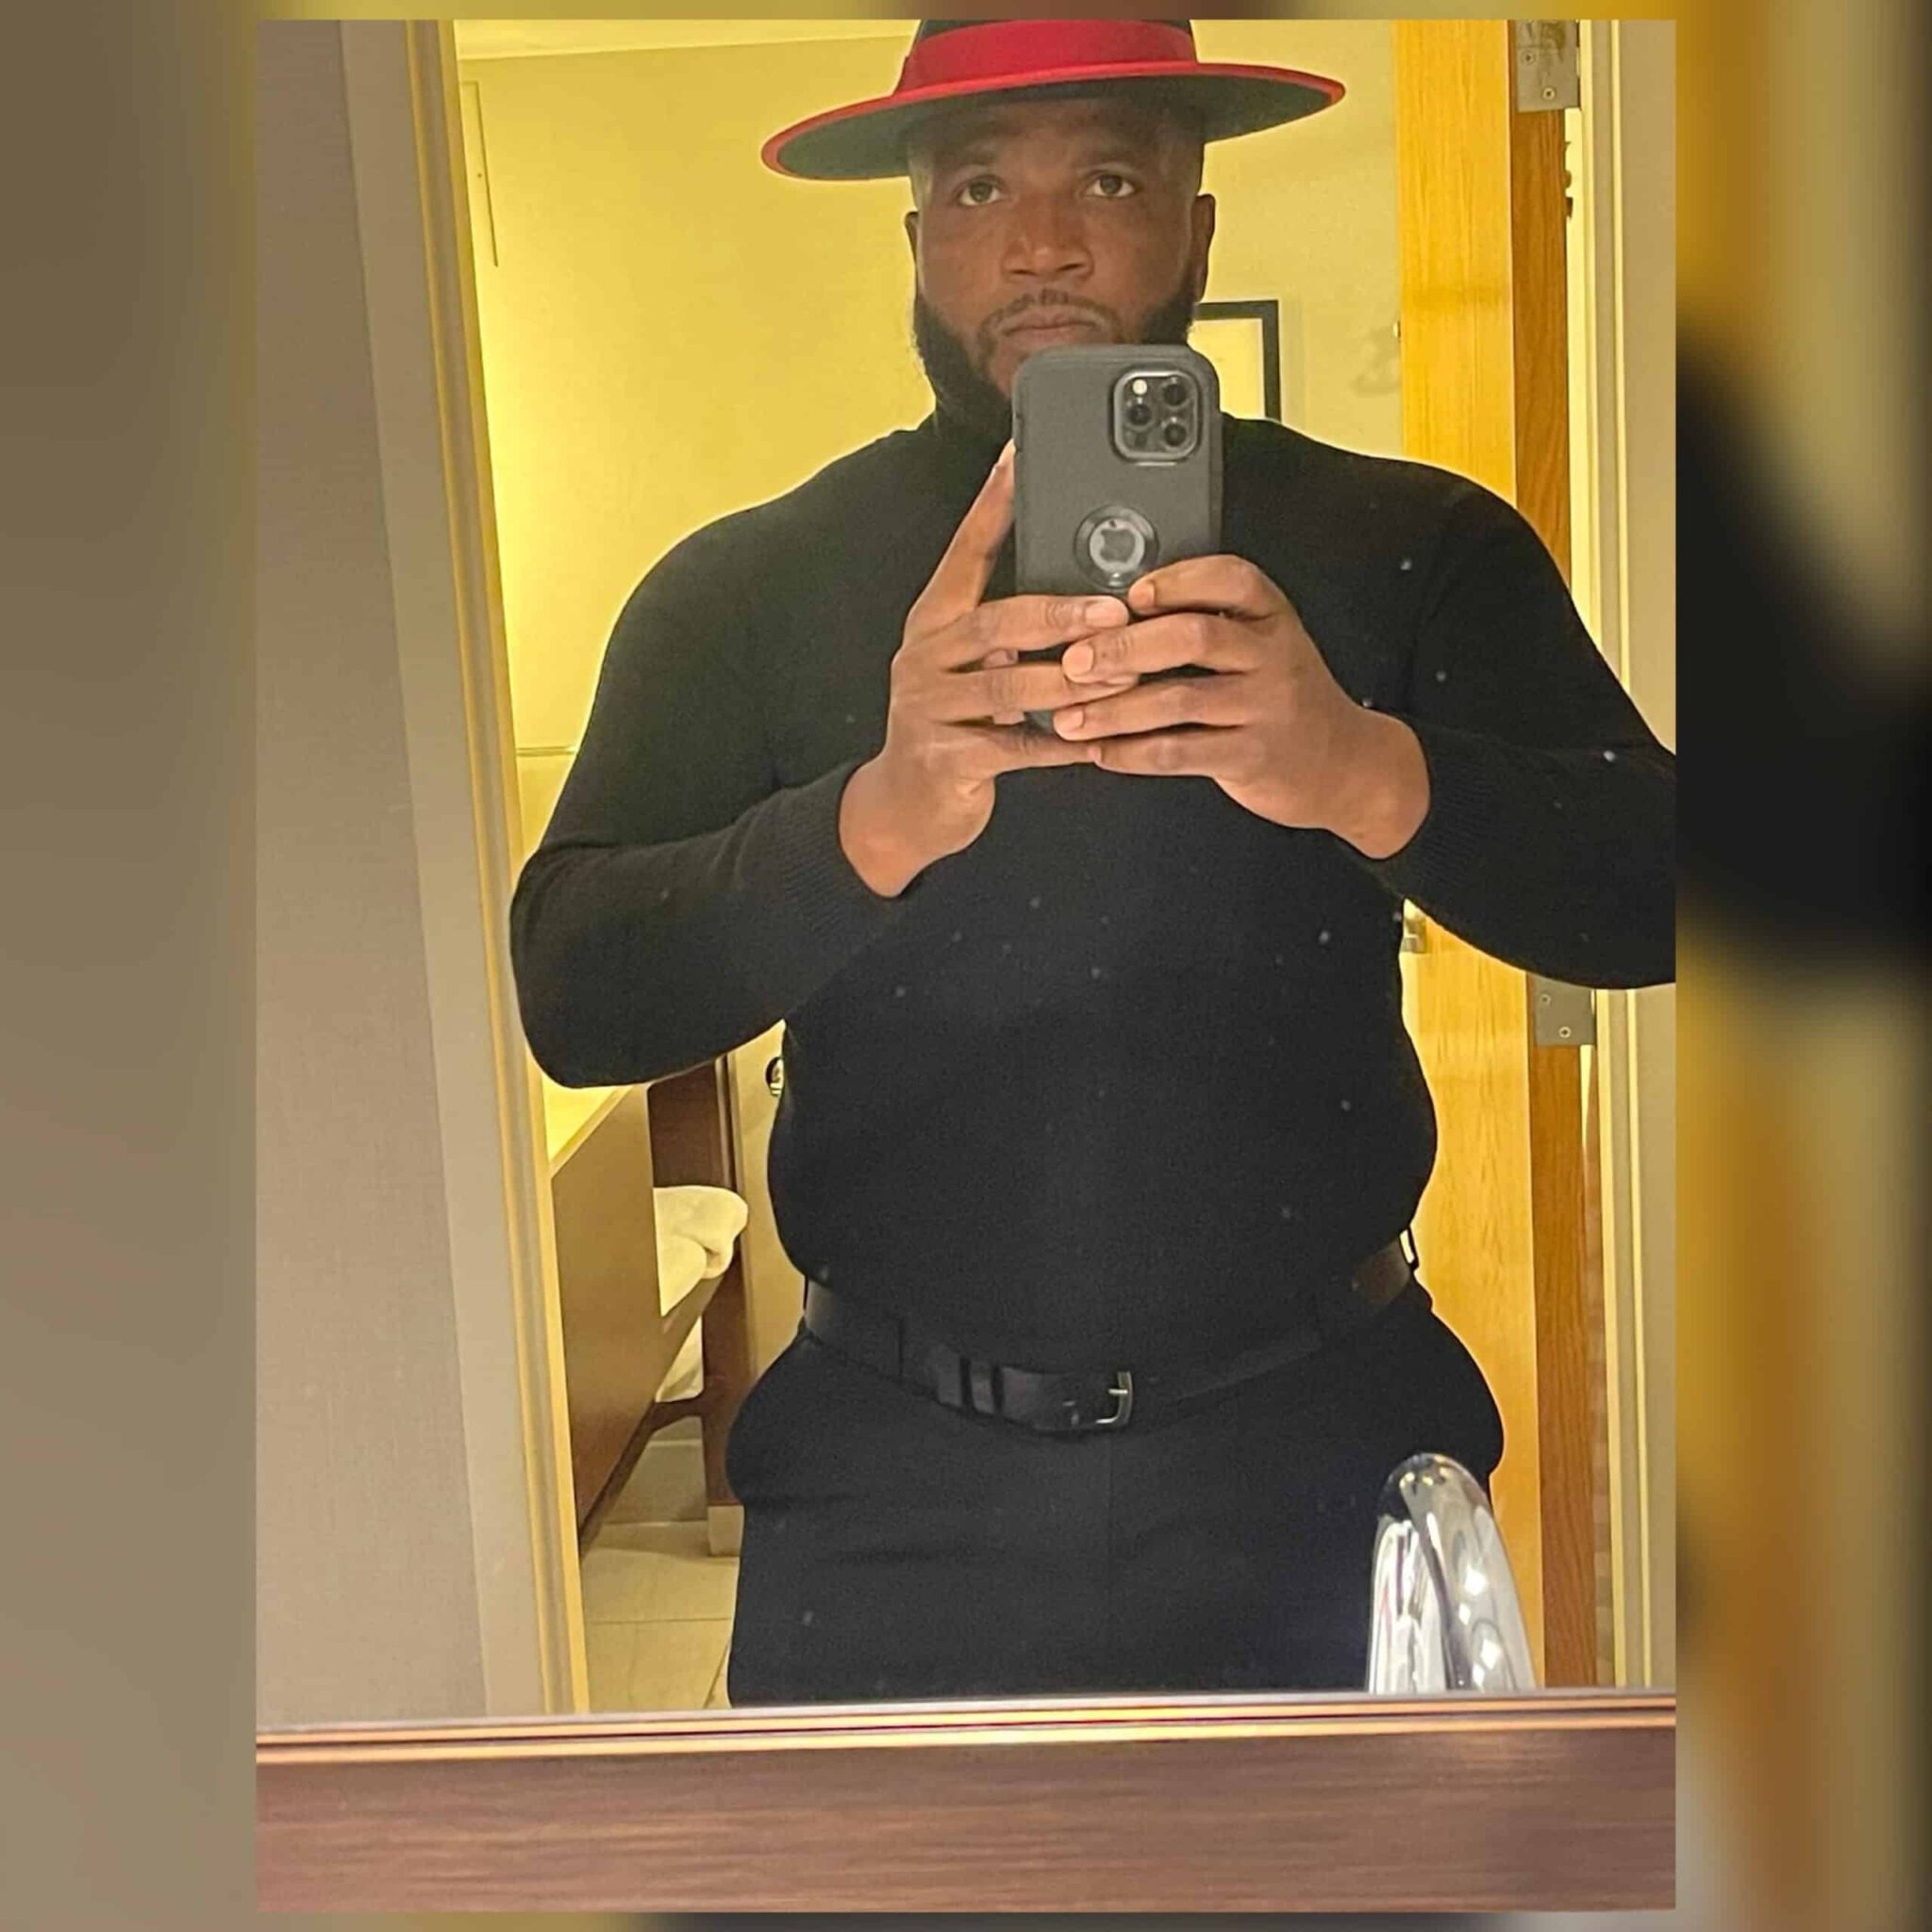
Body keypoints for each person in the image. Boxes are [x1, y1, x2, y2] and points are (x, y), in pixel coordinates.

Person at [508, 19, 1675, 1704]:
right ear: (917, 234)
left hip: (1322, 1461)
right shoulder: (746, 590)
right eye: (983, 187)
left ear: (1197, 225)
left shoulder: (1409, 543)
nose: (1043, 243)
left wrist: (1362, 768)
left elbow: (1662, 892)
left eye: (1110, 181)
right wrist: (872, 817)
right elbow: (574, 993)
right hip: (888, 1490)